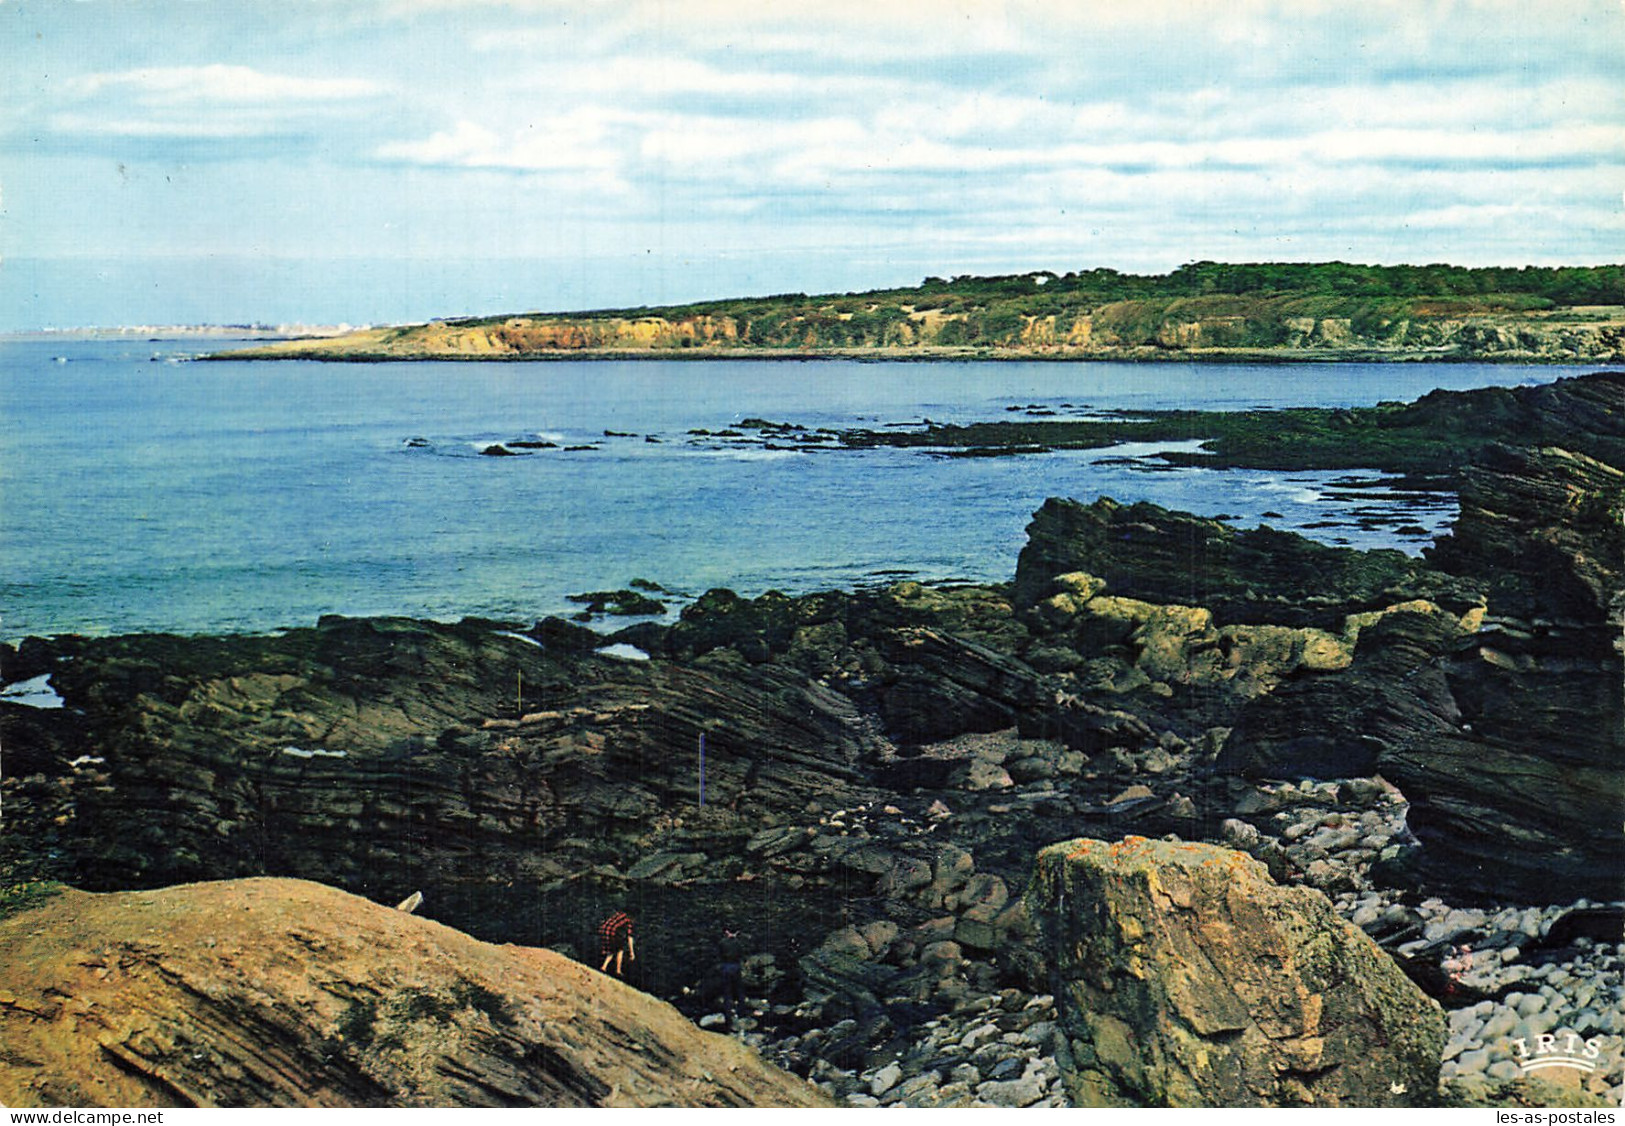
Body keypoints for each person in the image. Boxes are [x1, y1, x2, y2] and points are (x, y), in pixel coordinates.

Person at [597, 910, 635, 977]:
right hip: (612, 932)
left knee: (612, 950)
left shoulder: (619, 914)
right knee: (620, 949)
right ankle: (618, 970)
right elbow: (629, 937)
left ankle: (604, 967)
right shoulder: (628, 920)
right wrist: (632, 952)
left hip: (603, 929)